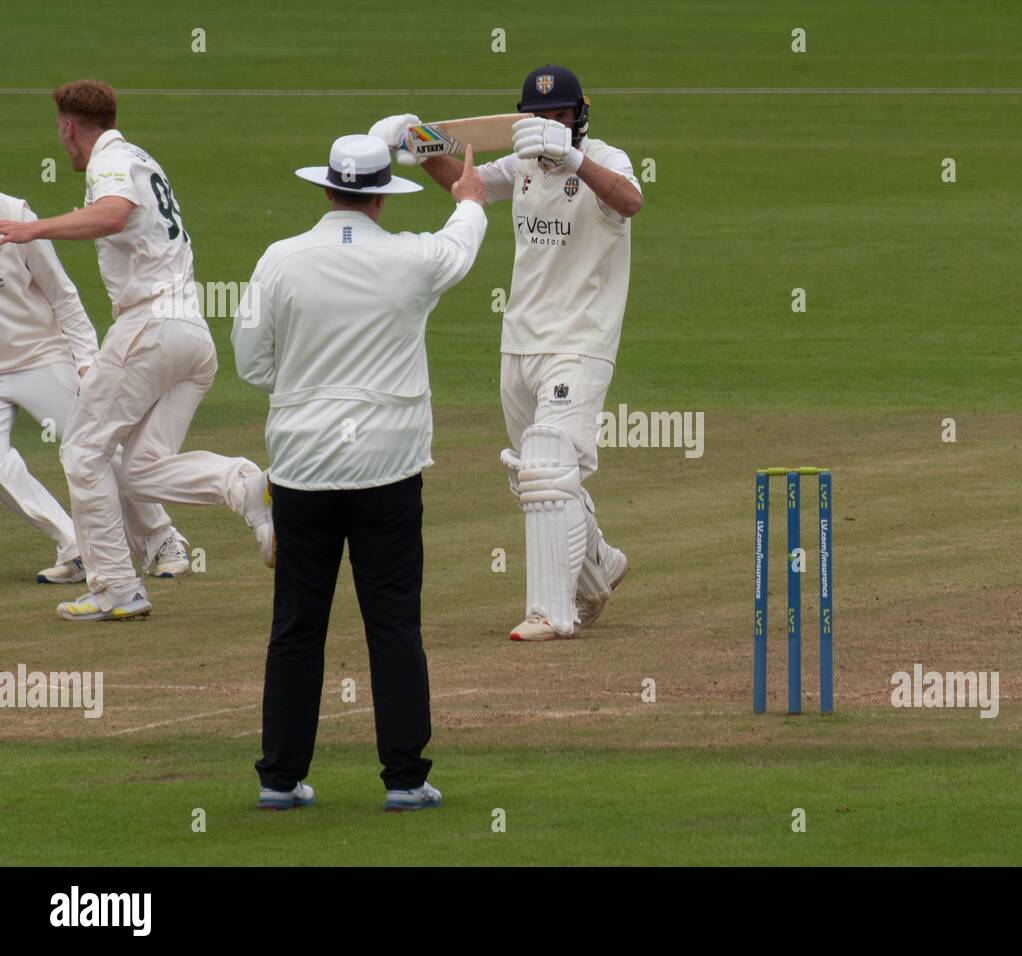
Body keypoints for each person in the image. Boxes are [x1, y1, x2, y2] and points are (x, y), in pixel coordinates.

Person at [232, 134, 488, 812]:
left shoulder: (278, 259)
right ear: (381, 195)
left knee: (296, 624)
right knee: (394, 623)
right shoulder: (410, 259)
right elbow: (461, 245)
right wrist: (468, 199)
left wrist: (304, 390)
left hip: (303, 468)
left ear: (326, 190)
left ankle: (279, 779)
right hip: (388, 467)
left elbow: (250, 362)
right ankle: (405, 780)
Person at [369, 64, 643, 642]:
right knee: (535, 479)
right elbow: (462, 181)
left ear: (579, 116)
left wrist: (572, 159)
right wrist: (416, 140)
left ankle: (551, 612)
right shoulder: (520, 166)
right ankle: (600, 571)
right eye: (537, 116)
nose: (547, 125)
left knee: (549, 469)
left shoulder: (607, 161)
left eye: (559, 115)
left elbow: (630, 201)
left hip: (580, 341)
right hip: (518, 341)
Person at [0, 80, 274, 622]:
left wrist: (31, 230)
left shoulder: (110, 162)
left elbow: (112, 215)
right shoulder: (143, 159)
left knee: (83, 451)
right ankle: (245, 485)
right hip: (192, 336)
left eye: (61, 133)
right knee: (143, 468)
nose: (63, 144)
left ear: (69, 127)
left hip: (149, 327)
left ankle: (115, 588)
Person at [0, 190, 191, 585]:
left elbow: (62, 293)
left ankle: (161, 538)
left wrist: (87, 359)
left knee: (93, 445)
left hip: (40, 355)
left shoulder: (13, 212)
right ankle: (73, 543)